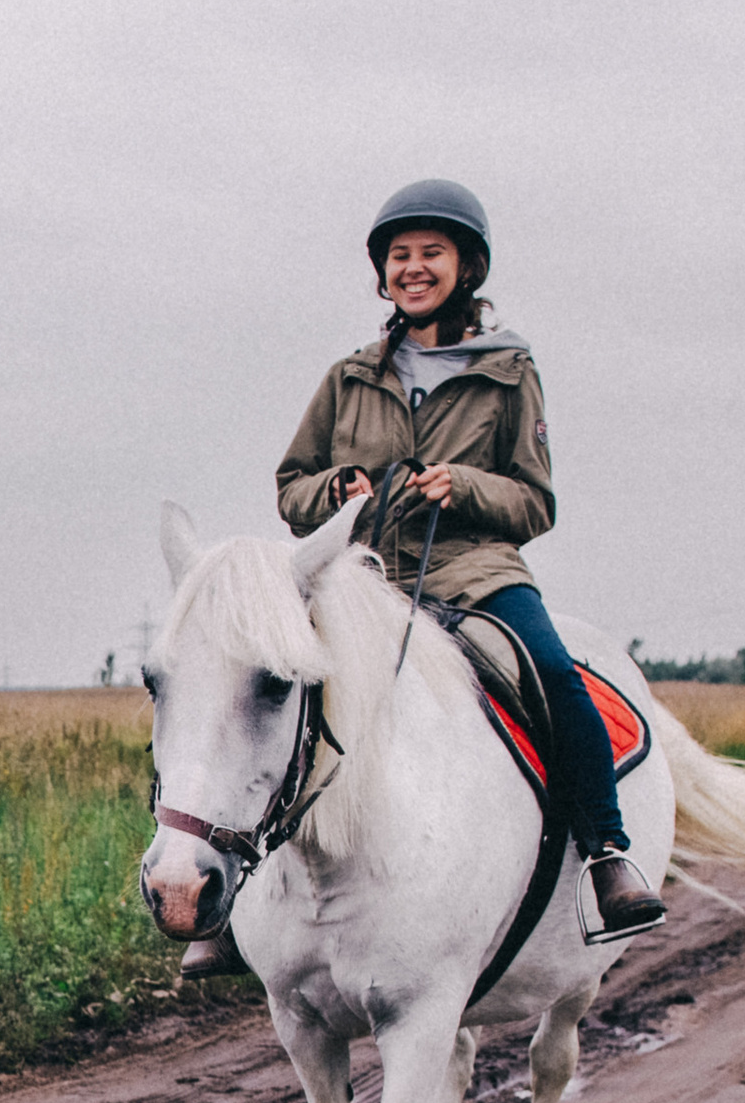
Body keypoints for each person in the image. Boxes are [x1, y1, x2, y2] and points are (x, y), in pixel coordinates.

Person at [258, 176, 664, 977]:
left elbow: (535, 502)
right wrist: (335, 489)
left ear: (467, 267)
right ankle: (230, 890)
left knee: (554, 676)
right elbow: (290, 488)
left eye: (431, 253)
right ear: (382, 273)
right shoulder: (347, 377)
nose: (414, 267)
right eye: (399, 255)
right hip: (364, 578)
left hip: (476, 572)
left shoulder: (510, 372)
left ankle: (606, 853)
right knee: (254, 677)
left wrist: (466, 486)